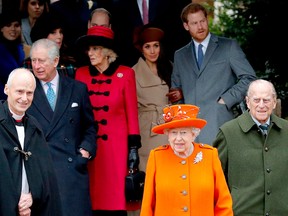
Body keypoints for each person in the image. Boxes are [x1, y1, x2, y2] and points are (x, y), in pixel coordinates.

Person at [75, 26, 141, 216]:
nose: (90, 53)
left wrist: (133, 148)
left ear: (106, 52)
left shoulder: (126, 74)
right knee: (92, 200)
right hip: (90, 148)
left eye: (95, 48)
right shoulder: (81, 74)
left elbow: (132, 114)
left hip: (117, 150)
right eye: (89, 49)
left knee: (115, 201)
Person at [27, 38, 96, 216]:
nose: (36, 66)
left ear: (56, 61)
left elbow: (89, 126)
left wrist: (85, 152)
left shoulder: (77, 89)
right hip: (40, 174)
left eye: (41, 60)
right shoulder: (27, 91)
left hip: (72, 172)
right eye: (33, 60)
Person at [170, 3, 256, 145]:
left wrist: (225, 100)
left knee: (220, 167)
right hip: (190, 133)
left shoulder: (228, 47)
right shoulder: (180, 55)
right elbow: (176, 92)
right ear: (186, 26)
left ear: (207, 20)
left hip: (220, 125)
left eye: (203, 21)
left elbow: (249, 78)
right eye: (195, 23)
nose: (200, 26)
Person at [140, 104, 233, 216]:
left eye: (183, 132)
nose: (178, 138)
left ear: (193, 134)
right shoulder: (156, 157)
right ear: (168, 135)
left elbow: (223, 203)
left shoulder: (209, 155)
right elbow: (147, 205)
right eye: (174, 133)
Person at [213, 79, 288, 215]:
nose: (261, 105)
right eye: (256, 100)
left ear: (274, 102)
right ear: (247, 102)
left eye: (266, 100)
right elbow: (216, 180)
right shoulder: (228, 133)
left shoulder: (287, 131)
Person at [0, 68, 62, 216]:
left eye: (29, 93)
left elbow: (45, 174)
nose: (25, 98)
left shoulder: (34, 126)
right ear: (6, 89)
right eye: (19, 92)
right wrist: (15, 200)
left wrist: (33, 195)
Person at [25, 12, 77, 78]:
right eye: (53, 32)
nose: (59, 36)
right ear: (42, 34)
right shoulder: (29, 64)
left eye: (61, 32)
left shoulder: (69, 64)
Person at [0, 10, 25, 100]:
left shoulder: (20, 49)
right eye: (8, 25)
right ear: (1, 28)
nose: (13, 29)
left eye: (16, 25)